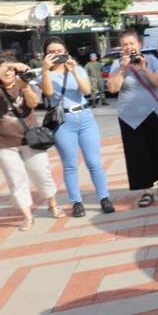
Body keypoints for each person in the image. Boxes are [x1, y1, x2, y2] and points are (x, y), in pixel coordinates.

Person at [0, 56, 65, 230]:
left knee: (42, 172)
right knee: (16, 179)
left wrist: (25, 86)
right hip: (3, 144)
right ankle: (27, 216)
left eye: (11, 69)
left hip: (30, 140)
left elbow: (34, 102)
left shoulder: (23, 83)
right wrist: (10, 64)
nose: (8, 72)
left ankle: (52, 204)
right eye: (4, 69)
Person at [40, 37, 114, 218]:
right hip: (64, 121)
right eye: (51, 52)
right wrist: (44, 68)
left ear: (65, 51)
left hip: (85, 117)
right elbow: (48, 93)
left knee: (94, 161)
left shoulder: (77, 68)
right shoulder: (45, 73)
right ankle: (76, 202)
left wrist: (73, 71)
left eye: (59, 51)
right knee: (70, 164)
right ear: (45, 55)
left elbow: (87, 91)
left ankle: (104, 198)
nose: (56, 54)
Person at [106, 30, 158, 208]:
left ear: (139, 45)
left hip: (153, 112)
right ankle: (146, 190)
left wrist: (143, 68)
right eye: (125, 45)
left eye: (132, 44)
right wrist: (123, 68)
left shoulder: (151, 60)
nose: (129, 47)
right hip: (129, 116)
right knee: (137, 154)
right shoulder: (117, 64)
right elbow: (112, 88)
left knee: (157, 149)